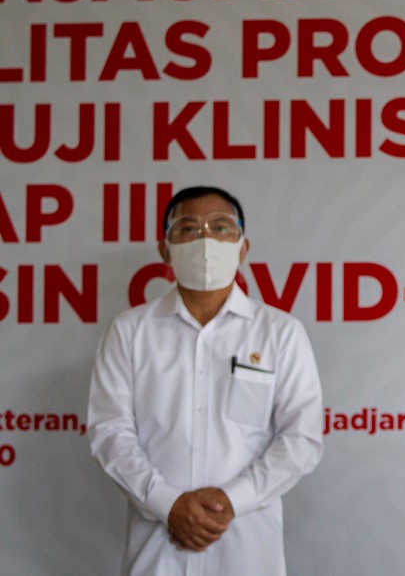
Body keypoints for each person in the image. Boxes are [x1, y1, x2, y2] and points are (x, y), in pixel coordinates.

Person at [87, 186, 324, 575]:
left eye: (220, 227)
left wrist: (233, 500)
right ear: (164, 250)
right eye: (188, 229)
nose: (205, 240)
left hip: (248, 550)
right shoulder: (129, 331)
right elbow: (109, 431)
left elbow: (302, 438)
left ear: (242, 247)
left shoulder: (280, 332)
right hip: (157, 548)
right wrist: (168, 503)